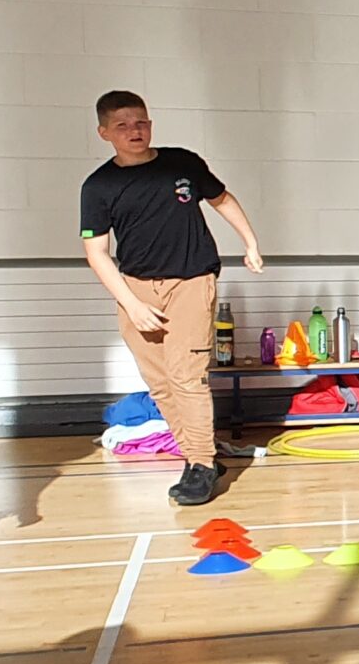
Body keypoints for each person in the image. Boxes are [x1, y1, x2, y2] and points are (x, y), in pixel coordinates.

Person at [80, 91, 266, 507]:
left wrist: (249, 242)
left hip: (190, 282)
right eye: (124, 125)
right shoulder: (98, 186)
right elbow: (97, 253)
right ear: (104, 132)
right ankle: (196, 455)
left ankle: (200, 464)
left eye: (142, 122)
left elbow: (223, 200)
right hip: (136, 289)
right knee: (161, 383)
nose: (135, 131)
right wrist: (132, 304)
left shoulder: (182, 163)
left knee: (188, 376)